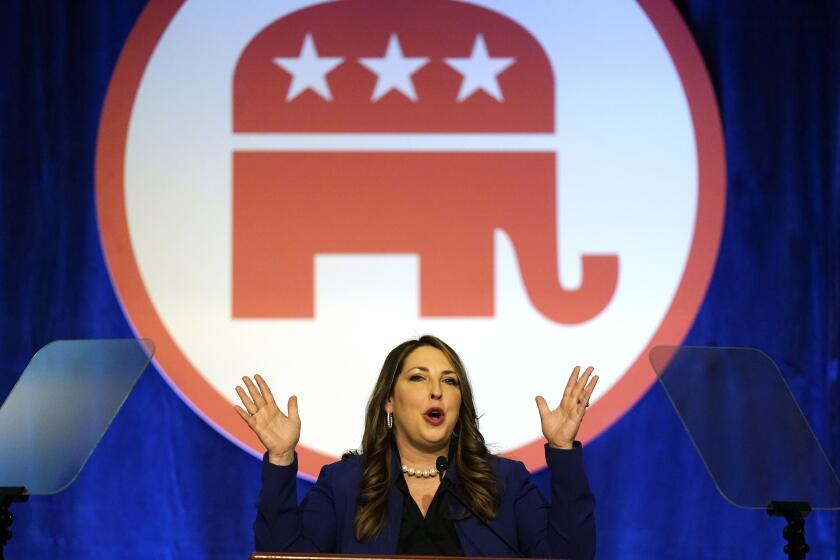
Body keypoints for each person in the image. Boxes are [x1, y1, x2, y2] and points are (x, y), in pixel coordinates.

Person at [235, 335, 598, 559]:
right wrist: (281, 459)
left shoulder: (504, 482)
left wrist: (562, 449)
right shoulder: (344, 485)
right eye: (418, 378)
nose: (436, 390)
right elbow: (284, 558)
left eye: (449, 381)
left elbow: (569, 557)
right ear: (389, 402)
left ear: (460, 403)